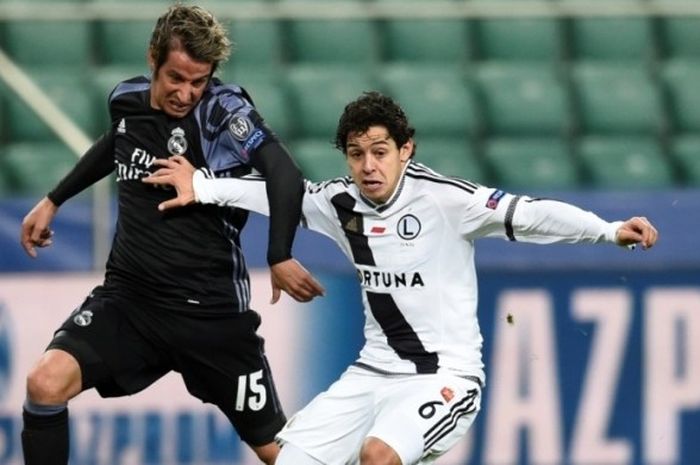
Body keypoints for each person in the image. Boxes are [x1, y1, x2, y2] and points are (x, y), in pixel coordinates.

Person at [143, 91, 659, 465]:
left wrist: (609, 230)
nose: (368, 166)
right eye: (356, 153)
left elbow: (533, 215)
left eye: (380, 151)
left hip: (446, 377)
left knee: (378, 455)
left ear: (406, 149)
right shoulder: (339, 202)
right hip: (372, 374)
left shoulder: (448, 200)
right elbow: (277, 195)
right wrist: (203, 184)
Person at [18, 5, 325, 465]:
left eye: (197, 82)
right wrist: (54, 198)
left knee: (280, 453)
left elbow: (284, 173)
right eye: (176, 78)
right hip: (130, 301)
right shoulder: (127, 100)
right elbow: (116, 141)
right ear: (152, 60)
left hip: (210, 316)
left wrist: (279, 254)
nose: (185, 94)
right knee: (44, 383)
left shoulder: (223, 114)